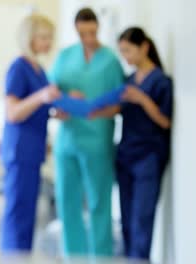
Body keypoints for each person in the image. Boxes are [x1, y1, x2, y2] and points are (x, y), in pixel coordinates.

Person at [91, 27, 173, 261]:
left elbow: (165, 121)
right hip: (126, 155)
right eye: (122, 52)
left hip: (149, 158)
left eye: (128, 50)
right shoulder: (128, 81)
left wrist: (143, 99)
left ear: (144, 47)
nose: (125, 57)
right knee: (126, 220)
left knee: (141, 220)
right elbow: (118, 109)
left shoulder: (161, 82)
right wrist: (89, 110)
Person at [49, 7, 124, 256]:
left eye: (92, 32)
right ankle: (74, 258)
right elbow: (51, 95)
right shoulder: (64, 57)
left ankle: (101, 259)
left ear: (98, 28)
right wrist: (61, 107)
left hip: (97, 142)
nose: (89, 39)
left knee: (98, 203)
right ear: (76, 31)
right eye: (83, 34)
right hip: (68, 141)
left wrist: (94, 110)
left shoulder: (110, 60)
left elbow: (119, 103)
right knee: (67, 203)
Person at [0, 14, 60, 252]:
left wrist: (56, 110)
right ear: (29, 38)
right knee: (18, 213)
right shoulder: (19, 67)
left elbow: (37, 109)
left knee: (28, 212)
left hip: (33, 149)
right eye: (43, 37)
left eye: (49, 38)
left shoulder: (39, 70)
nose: (48, 42)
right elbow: (12, 112)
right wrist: (43, 96)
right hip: (20, 149)